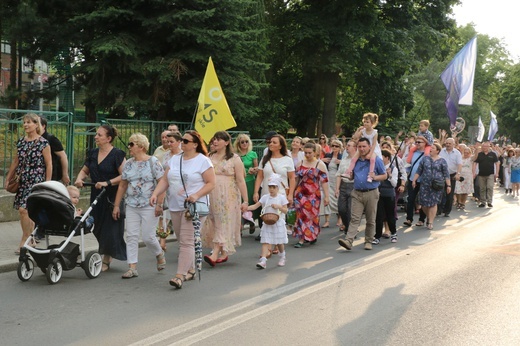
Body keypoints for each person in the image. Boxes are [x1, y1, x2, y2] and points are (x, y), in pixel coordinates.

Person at [150, 130, 215, 289]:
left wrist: (196, 194)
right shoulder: (174, 159)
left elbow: (211, 183)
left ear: (195, 144)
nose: (182, 143)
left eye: (186, 141)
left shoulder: (203, 161)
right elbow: (165, 179)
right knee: (182, 239)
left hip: (193, 207)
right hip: (175, 204)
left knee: (186, 242)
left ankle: (179, 276)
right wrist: (155, 193)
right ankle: (191, 269)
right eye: (182, 140)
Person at [112, 133, 165, 279]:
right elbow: (122, 185)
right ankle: (132, 267)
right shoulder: (128, 163)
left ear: (141, 147)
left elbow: (162, 183)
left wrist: (159, 203)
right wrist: (116, 205)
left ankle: (159, 253)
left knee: (148, 236)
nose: (129, 147)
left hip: (149, 204)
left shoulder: (153, 162)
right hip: (131, 204)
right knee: (131, 235)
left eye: (131, 144)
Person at [74, 124, 127, 271]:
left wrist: (107, 182)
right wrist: (80, 178)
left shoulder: (117, 154)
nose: (96, 137)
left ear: (109, 138)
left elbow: (124, 175)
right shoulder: (92, 153)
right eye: (96, 134)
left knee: (110, 229)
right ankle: (105, 252)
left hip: (112, 196)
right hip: (96, 195)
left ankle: (106, 259)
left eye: (99, 135)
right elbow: (85, 170)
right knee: (97, 227)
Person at [6, 113, 52, 254]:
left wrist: (47, 183)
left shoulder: (43, 143)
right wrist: (8, 177)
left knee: (24, 209)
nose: (25, 125)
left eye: (29, 122)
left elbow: (48, 164)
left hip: (36, 180)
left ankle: (25, 238)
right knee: (25, 212)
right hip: (23, 179)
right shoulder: (21, 142)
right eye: (24, 122)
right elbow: (16, 161)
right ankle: (31, 239)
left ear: (36, 124)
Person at [202, 131, 249, 266]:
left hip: (229, 196)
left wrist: (245, 201)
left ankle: (215, 253)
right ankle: (223, 252)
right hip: (211, 194)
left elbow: (240, 181)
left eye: (218, 140)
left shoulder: (234, 159)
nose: (215, 142)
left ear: (226, 142)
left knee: (223, 221)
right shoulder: (208, 157)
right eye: (214, 139)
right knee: (214, 221)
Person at [338, 137, 387, 251]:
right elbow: (352, 176)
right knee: (355, 218)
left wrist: (375, 177)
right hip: (357, 192)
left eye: (364, 146)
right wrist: (348, 175)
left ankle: (368, 241)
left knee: (370, 219)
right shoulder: (355, 160)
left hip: (371, 192)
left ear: (369, 147)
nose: (362, 149)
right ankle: (349, 241)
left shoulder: (376, 160)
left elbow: (384, 175)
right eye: (359, 146)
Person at [253, 134, 296, 244]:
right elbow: (260, 176)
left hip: (280, 193)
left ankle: (277, 244)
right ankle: (267, 244)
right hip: (266, 193)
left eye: (274, 142)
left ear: (280, 146)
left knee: (278, 219)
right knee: (266, 218)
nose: (271, 144)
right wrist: (256, 192)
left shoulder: (287, 160)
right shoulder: (265, 159)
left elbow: (292, 178)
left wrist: (290, 194)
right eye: (270, 142)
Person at [247, 174, 288, 269]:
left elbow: (285, 210)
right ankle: (263, 261)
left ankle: (282, 256)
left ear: (277, 188)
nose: (271, 189)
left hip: (277, 222)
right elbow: (255, 206)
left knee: (279, 242)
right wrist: (246, 208)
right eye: (270, 187)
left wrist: (278, 207)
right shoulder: (265, 197)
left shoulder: (281, 198)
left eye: (274, 187)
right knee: (265, 241)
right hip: (267, 223)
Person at [293, 142, 330, 247]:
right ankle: (301, 239)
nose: (307, 155)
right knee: (301, 216)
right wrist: (292, 192)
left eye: (309, 153)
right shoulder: (300, 163)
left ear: (315, 152)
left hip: (314, 194)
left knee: (312, 216)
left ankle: (312, 235)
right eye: (305, 153)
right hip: (301, 193)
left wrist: (327, 196)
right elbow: (296, 179)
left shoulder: (320, 164)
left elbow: (324, 181)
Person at [412, 143, 450, 230]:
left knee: (433, 203)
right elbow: (419, 170)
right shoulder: (425, 159)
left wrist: (448, 185)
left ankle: (430, 222)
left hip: (436, 185)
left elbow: (446, 174)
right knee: (424, 203)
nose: (431, 149)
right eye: (430, 148)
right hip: (425, 184)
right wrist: (414, 180)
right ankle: (429, 216)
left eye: (433, 148)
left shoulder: (442, 161)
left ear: (437, 151)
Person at [156, 131, 183, 250]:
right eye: (167, 142)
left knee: (181, 220)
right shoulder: (166, 155)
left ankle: (184, 244)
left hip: (179, 190)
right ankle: (162, 241)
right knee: (163, 215)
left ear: (179, 142)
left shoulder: (183, 155)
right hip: (165, 188)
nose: (169, 144)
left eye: (171, 142)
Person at [234, 133, 259, 234]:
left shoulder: (252, 154)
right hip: (238, 181)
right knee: (239, 203)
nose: (244, 144)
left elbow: (258, 168)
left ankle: (252, 222)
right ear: (238, 144)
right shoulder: (235, 155)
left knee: (250, 202)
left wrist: (253, 169)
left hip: (250, 181)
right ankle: (240, 225)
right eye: (242, 142)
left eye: (246, 141)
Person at [346, 113, 382, 182]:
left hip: (372, 149)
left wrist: (370, 154)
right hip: (364, 148)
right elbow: (355, 137)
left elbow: (374, 144)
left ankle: (370, 175)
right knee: (354, 158)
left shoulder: (375, 132)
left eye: (367, 122)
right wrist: (358, 130)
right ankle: (348, 171)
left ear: (372, 123)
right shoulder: (363, 131)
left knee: (372, 160)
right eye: (364, 122)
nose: (365, 123)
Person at [373, 149, 399, 244]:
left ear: (387, 158)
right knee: (378, 216)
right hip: (379, 194)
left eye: (382, 157)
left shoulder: (393, 168)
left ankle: (394, 233)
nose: (380, 159)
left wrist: (390, 175)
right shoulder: (378, 167)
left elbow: (394, 184)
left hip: (389, 195)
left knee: (390, 215)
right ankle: (377, 236)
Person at [403, 135, 428, 227]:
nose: (416, 144)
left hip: (423, 180)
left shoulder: (427, 153)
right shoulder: (413, 152)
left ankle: (422, 219)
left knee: (422, 200)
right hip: (412, 179)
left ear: (424, 143)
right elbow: (409, 164)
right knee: (410, 199)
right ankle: (409, 219)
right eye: (416, 142)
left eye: (419, 142)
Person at [40, 116, 70, 185]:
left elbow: (63, 156)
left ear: (43, 126)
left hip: (52, 176)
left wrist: (65, 174)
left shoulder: (51, 139)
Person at [336, 139, 357, 233]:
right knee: (341, 209)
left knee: (350, 210)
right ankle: (348, 226)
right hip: (344, 185)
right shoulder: (344, 160)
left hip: (354, 185)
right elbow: (339, 175)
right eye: (347, 145)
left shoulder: (358, 160)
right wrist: (337, 188)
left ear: (355, 148)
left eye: (349, 145)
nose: (347, 147)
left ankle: (351, 230)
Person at [438, 137, 462, 217]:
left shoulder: (457, 153)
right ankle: (439, 210)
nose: (447, 145)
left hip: (452, 175)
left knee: (449, 194)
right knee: (440, 192)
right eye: (447, 143)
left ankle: (447, 211)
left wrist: (458, 173)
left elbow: (459, 164)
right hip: (441, 175)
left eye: (449, 143)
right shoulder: (441, 151)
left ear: (453, 144)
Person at [473, 141, 500, 208]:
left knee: (490, 187)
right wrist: (473, 172)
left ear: (489, 147)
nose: (484, 148)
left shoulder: (493, 154)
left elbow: (497, 163)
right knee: (482, 188)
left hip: (490, 174)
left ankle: (489, 201)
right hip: (481, 174)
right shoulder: (480, 154)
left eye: (486, 146)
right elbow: (475, 163)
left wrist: (497, 173)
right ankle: (483, 202)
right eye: (483, 146)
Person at [323, 139, 343, 227]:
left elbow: (347, 166)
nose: (334, 147)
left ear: (340, 148)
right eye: (333, 146)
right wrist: (322, 159)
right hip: (328, 179)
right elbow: (321, 164)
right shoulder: (328, 155)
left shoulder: (342, 157)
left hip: (337, 180)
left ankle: (339, 219)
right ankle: (327, 220)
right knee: (326, 198)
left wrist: (341, 162)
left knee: (337, 199)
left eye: (336, 146)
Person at [454, 145, 475, 210]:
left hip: (468, 176)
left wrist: (477, 149)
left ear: (470, 153)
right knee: (458, 189)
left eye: (467, 153)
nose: (466, 154)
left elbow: (476, 156)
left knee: (465, 190)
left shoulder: (471, 158)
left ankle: (463, 203)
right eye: (465, 152)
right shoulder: (460, 158)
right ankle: (459, 202)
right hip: (460, 175)